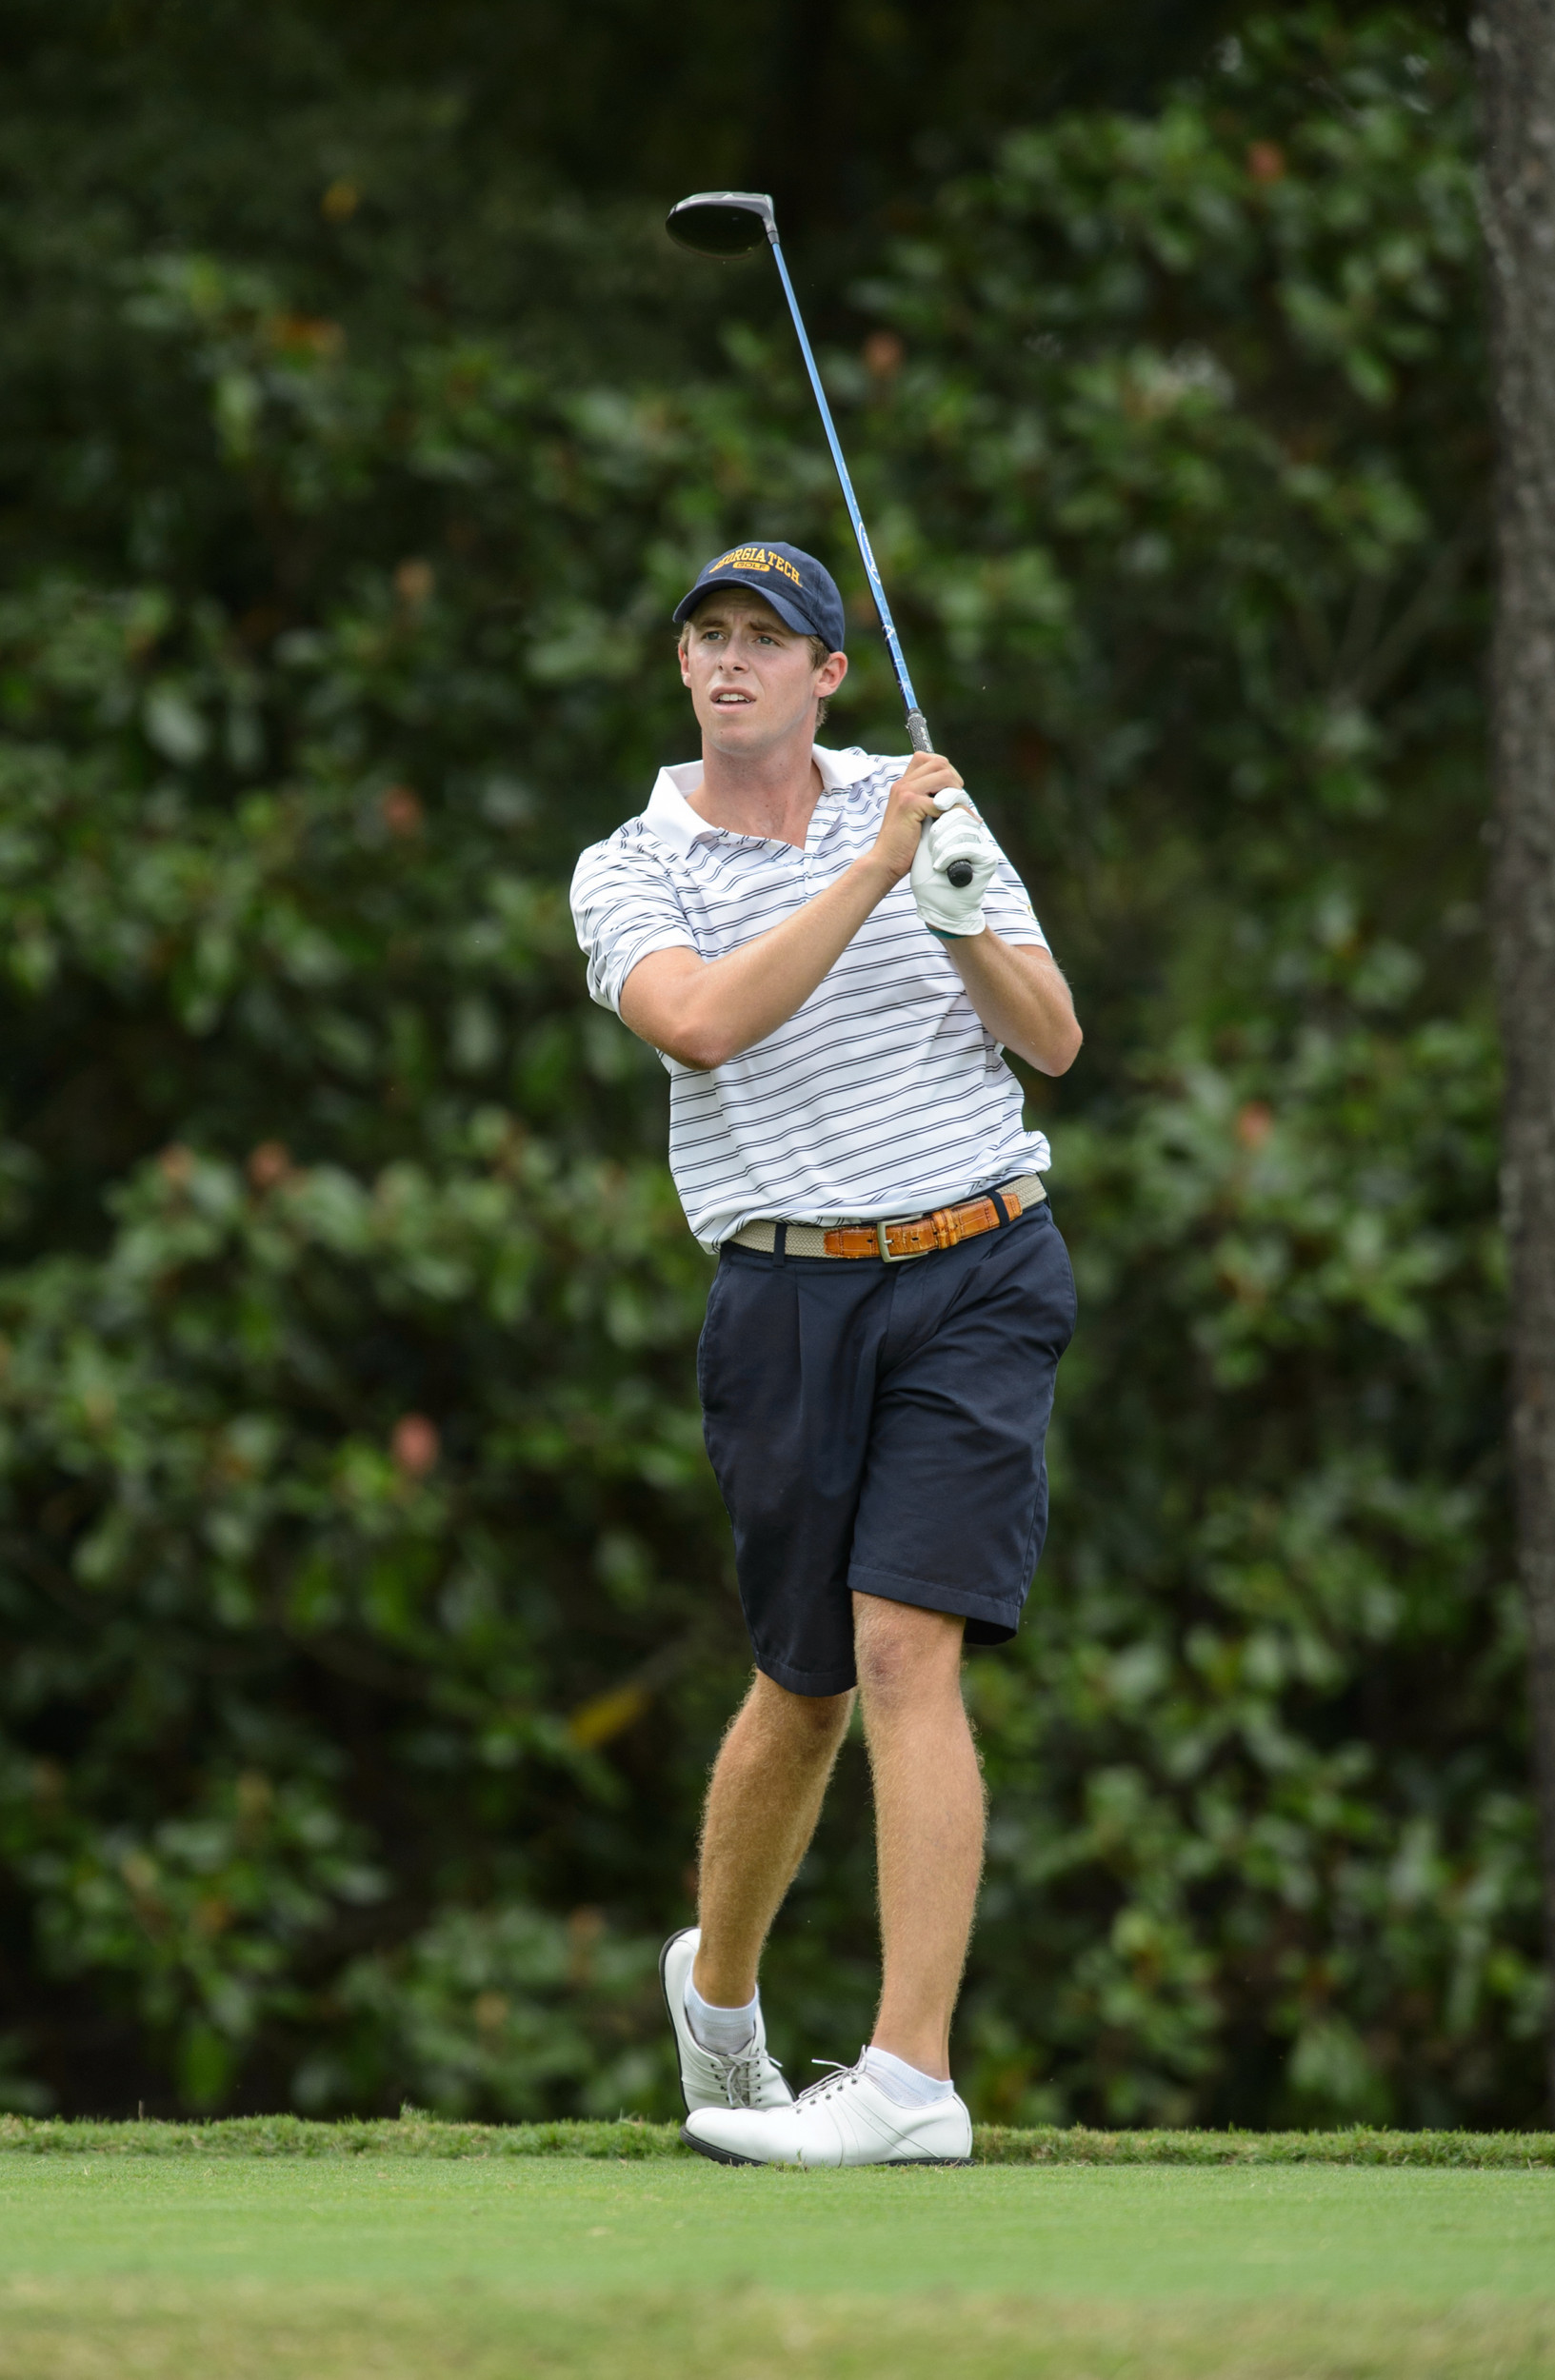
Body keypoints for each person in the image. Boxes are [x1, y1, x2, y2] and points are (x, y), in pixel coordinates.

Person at [569, 540, 1081, 2167]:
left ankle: (909, 2081)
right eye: (705, 639)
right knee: (798, 1691)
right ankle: (719, 2001)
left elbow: (1052, 1039)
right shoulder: (626, 866)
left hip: (978, 1264)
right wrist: (867, 872)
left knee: (900, 1654)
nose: (728, 663)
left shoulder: (926, 806)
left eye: (762, 642)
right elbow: (703, 1020)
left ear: (825, 675)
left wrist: (942, 890)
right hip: (786, 1297)